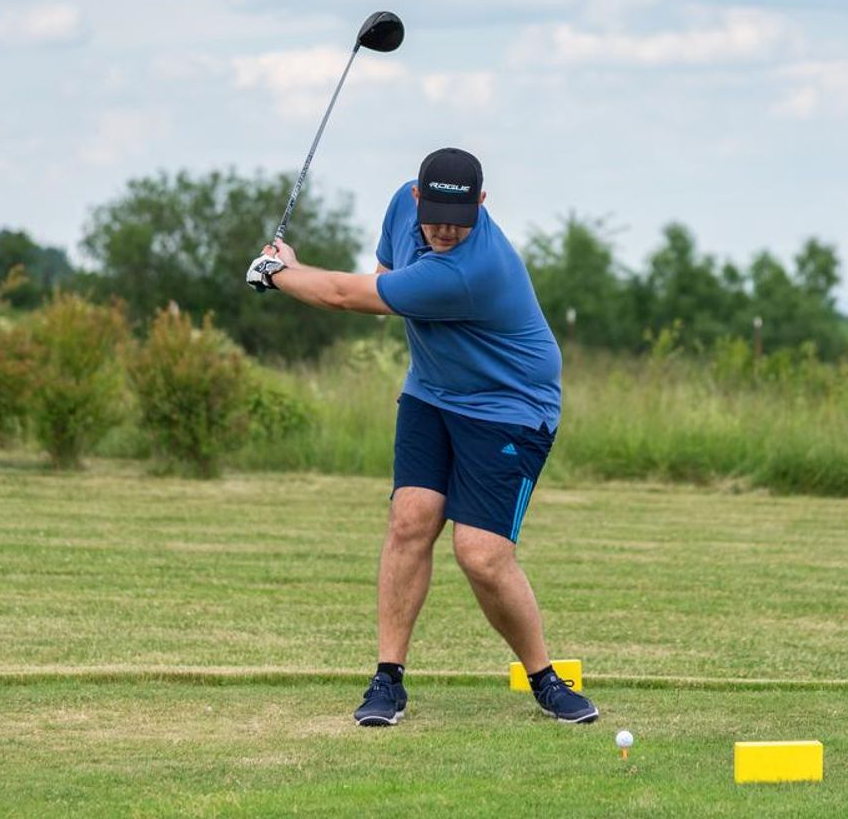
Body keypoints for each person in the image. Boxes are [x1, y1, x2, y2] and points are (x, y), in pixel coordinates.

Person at [245, 147, 598, 726]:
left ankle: (544, 678)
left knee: (480, 554)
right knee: (409, 520)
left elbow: (348, 297)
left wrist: (278, 272)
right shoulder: (400, 207)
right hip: (432, 393)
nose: (444, 231)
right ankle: (388, 680)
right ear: (416, 198)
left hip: (510, 407)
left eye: (459, 221)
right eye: (434, 218)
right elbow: (386, 282)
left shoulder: (472, 269)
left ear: (482, 205)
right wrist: (293, 270)